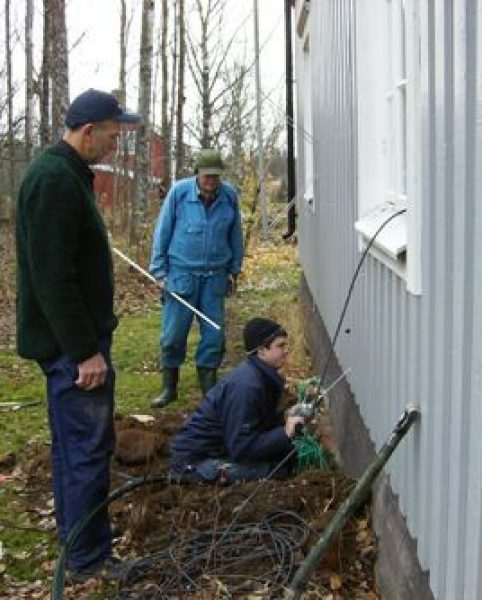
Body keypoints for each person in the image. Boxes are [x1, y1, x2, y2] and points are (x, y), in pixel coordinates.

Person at [16, 89, 139, 582]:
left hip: (75, 344)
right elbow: (53, 277)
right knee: (87, 448)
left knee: (74, 446)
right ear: (88, 131)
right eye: (112, 136)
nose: (115, 146)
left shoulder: (65, 174)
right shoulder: (53, 180)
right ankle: (90, 560)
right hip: (74, 350)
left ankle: (77, 543)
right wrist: (86, 352)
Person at [149, 149, 244, 408]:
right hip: (181, 276)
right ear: (197, 174)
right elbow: (163, 231)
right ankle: (169, 388)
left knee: (214, 336)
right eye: (206, 176)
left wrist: (234, 269)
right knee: (172, 337)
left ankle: (209, 390)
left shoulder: (229, 197)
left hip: (215, 277)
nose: (211, 181)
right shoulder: (179, 194)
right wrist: (158, 271)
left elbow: (236, 235)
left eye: (215, 176)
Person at [169, 317, 306, 484]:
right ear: (262, 351)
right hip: (194, 463)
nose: (286, 350)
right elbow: (242, 447)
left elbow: (255, 423)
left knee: (287, 454)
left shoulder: (260, 377)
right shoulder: (247, 386)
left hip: (220, 449)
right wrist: (285, 432)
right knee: (278, 470)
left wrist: (284, 417)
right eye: (280, 346)